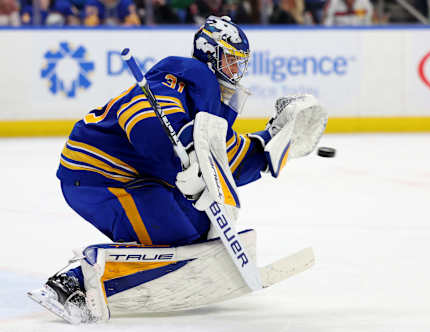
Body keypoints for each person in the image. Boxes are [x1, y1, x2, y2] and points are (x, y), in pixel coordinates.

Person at [28, 15, 327, 323]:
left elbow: (224, 160)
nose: (237, 72)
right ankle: (74, 281)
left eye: (241, 64)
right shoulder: (177, 78)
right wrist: (177, 156)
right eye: (231, 61)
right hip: (97, 176)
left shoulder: (208, 100)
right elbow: (142, 120)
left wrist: (269, 147)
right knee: (178, 239)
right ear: (210, 53)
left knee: (198, 230)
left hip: (138, 181)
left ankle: (118, 272)